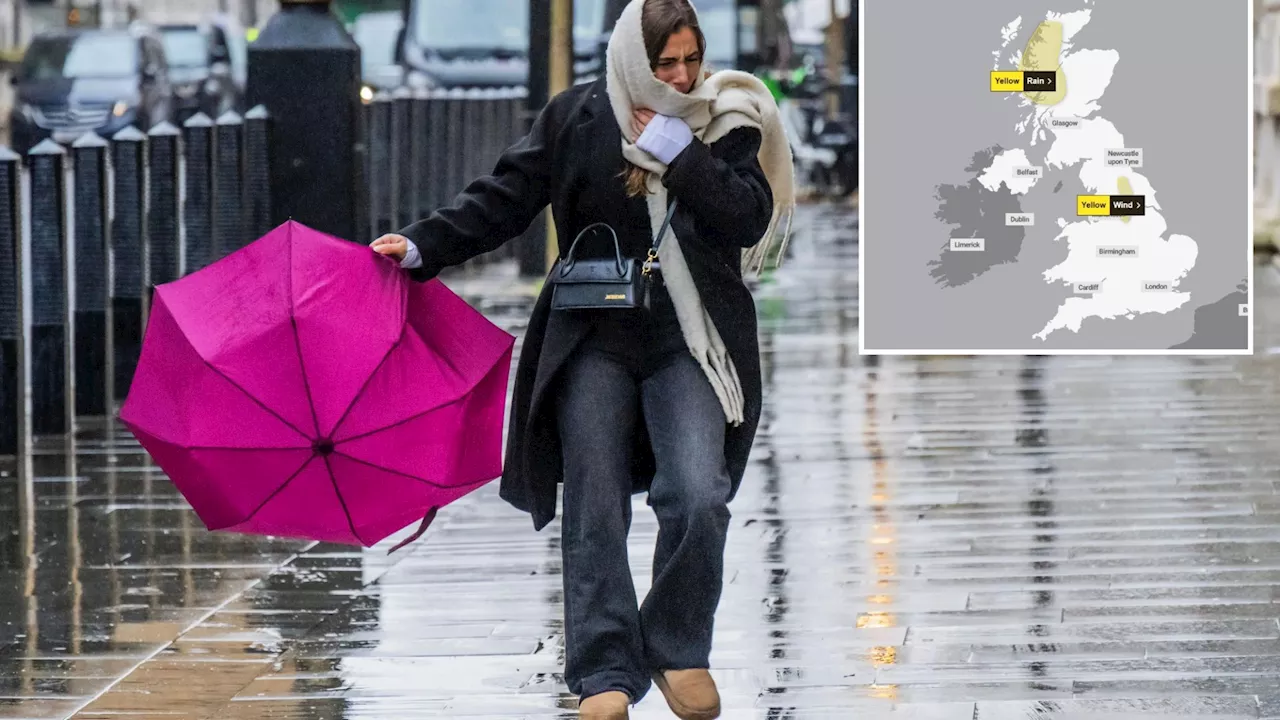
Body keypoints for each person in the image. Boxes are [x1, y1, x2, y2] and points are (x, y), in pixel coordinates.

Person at [370, 0, 793, 718]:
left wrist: (682, 155)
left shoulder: (723, 120)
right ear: (634, 58)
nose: (683, 75)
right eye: (666, 64)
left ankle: (676, 647)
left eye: (692, 58)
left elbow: (747, 216)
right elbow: (503, 199)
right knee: (593, 505)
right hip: (591, 338)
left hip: (687, 342)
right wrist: (418, 248)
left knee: (698, 494)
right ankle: (602, 673)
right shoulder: (577, 117)